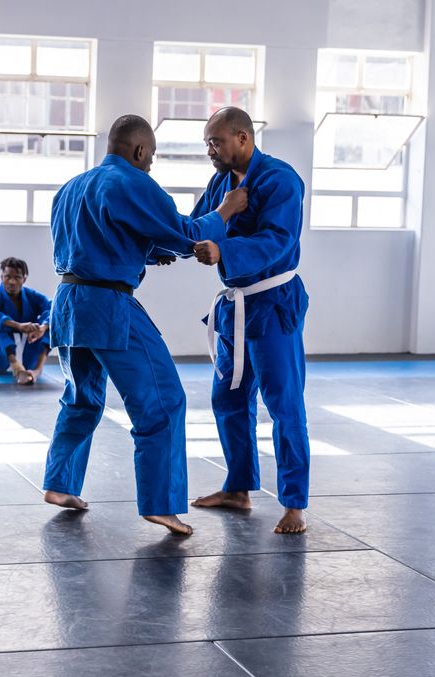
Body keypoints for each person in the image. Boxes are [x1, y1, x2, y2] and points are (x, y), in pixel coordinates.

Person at [42, 114, 248, 536]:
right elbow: (188, 233)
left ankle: (60, 484)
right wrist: (224, 211)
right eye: (150, 157)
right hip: (109, 305)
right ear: (139, 151)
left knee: (81, 398)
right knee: (163, 399)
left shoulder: (70, 188)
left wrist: (149, 252)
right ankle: (161, 504)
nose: (150, 165)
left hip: (67, 302)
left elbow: (98, 237)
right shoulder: (132, 182)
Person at [189, 107, 311, 534]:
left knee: (284, 403)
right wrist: (220, 214)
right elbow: (198, 224)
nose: (210, 150)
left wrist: (225, 252)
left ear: (242, 138)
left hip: (272, 303)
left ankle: (294, 503)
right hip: (234, 309)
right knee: (229, 399)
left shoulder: (280, 179)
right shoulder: (222, 182)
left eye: (215, 142)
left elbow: (279, 240)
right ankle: (238, 488)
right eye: (207, 142)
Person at [0, 257, 52, 385]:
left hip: (28, 357)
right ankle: (16, 366)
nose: (11, 281)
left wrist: (43, 328)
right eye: (7, 277)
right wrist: (17, 325)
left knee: (52, 324)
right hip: (0, 361)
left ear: (24, 279)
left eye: (17, 277)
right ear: (2, 277)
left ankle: (37, 370)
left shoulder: (32, 296)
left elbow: (52, 309)